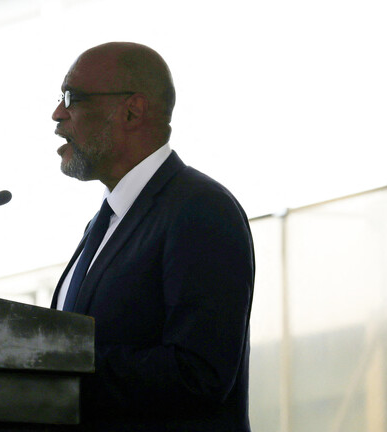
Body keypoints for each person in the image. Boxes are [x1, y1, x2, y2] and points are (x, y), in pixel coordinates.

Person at [50, 42, 255, 431]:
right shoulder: (102, 225)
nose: (57, 113)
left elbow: (199, 373)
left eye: (72, 97)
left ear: (132, 110)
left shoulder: (200, 209)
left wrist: (56, 363)